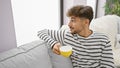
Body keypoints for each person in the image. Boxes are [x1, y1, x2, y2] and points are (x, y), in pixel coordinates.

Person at [37, 5, 115, 68]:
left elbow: (108, 66)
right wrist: (53, 43)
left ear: (86, 22)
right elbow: (41, 32)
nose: (69, 24)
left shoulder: (103, 40)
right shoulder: (67, 36)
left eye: (73, 20)